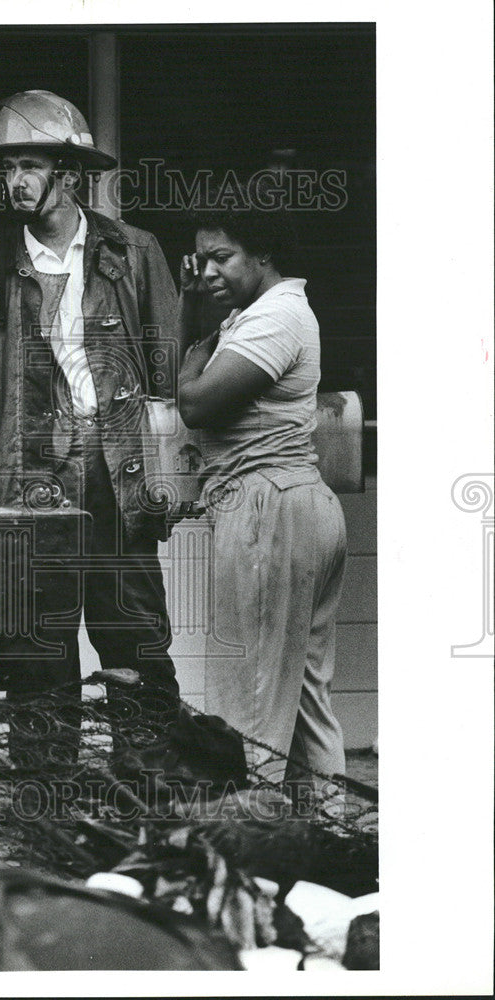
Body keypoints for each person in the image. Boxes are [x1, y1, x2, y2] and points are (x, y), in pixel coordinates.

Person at [0, 90, 180, 727]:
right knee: (37, 664)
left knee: (138, 647)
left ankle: (149, 807)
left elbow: (166, 381)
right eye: (8, 167)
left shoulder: (136, 254)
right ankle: (46, 809)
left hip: (116, 477)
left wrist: (170, 481)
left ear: (68, 177)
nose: (14, 181)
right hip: (26, 483)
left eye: (30, 167)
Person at [177, 205, 347, 798]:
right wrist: (200, 324)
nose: (206, 273)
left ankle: (253, 852)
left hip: (265, 507)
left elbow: (196, 405)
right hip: (295, 504)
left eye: (221, 258)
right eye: (200, 260)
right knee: (302, 700)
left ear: (263, 255)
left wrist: (192, 350)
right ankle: (337, 839)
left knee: (247, 708)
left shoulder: (275, 317)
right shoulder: (257, 314)